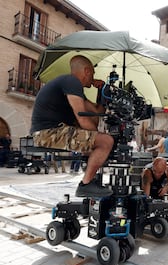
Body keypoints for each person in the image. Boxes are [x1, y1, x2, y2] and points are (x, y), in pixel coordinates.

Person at [30, 55, 114, 197]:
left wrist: (102, 90)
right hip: (48, 133)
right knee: (106, 141)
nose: (92, 77)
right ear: (87, 71)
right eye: (92, 74)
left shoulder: (72, 87)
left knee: (98, 136)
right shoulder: (71, 81)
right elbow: (82, 118)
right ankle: (86, 185)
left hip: (51, 131)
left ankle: (90, 178)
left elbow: (97, 112)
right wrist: (99, 138)